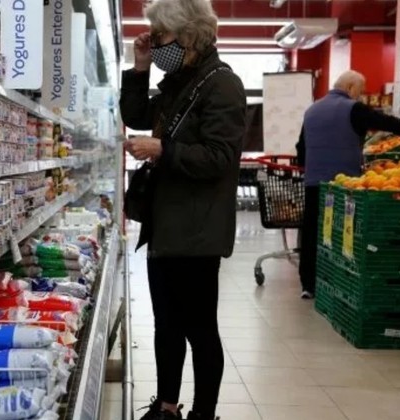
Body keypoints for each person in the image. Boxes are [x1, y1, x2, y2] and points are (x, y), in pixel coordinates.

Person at [119, 0, 246, 419]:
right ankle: (167, 407)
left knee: (200, 330)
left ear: (188, 35)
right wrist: (140, 67)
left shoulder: (221, 84)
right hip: (167, 224)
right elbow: (136, 113)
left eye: (160, 35)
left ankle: (204, 414)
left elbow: (219, 158)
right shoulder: (180, 82)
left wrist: (163, 149)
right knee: (167, 325)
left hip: (197, 228)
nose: (155, 43)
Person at [297, 70, 400, 299]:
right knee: (344, 233)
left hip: (314, 182)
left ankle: (308, 285)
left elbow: (301, 149)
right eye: (359, 91)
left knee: (312, 231)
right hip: (345, 186)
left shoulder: (312, 110)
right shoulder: (353, 109)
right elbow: (389, 123)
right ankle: (342, 281)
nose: (359, 96)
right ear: (350, 87)